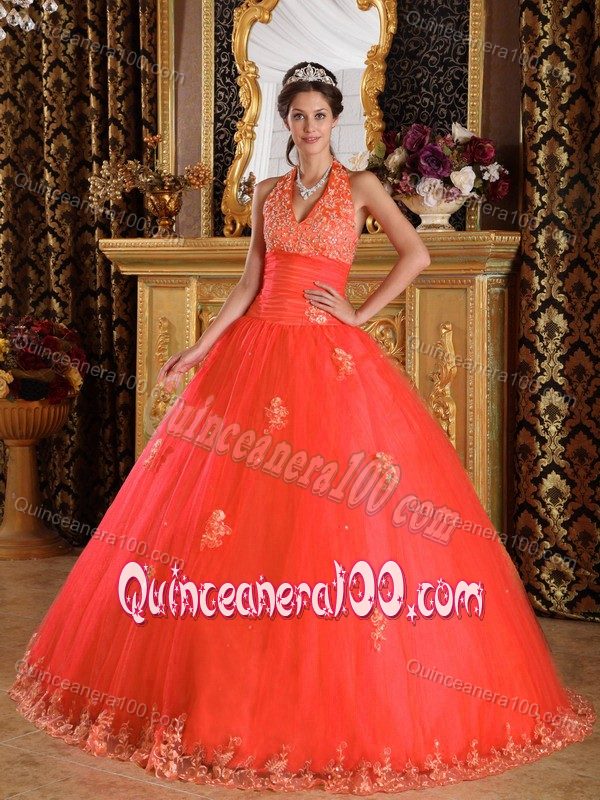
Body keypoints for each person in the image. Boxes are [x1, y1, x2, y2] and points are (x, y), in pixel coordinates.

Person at [8, 61, 595, 795]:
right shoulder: (267, 192)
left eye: (320, 115)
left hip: (330, 362)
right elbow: (249, 282)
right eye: (298, 116)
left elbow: (415, 254)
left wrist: (359, 313)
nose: (309, 126)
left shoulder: (364, 187)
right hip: (255, 353)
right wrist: (200, 348)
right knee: (233, 523)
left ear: (335, 120)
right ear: (285, 122)